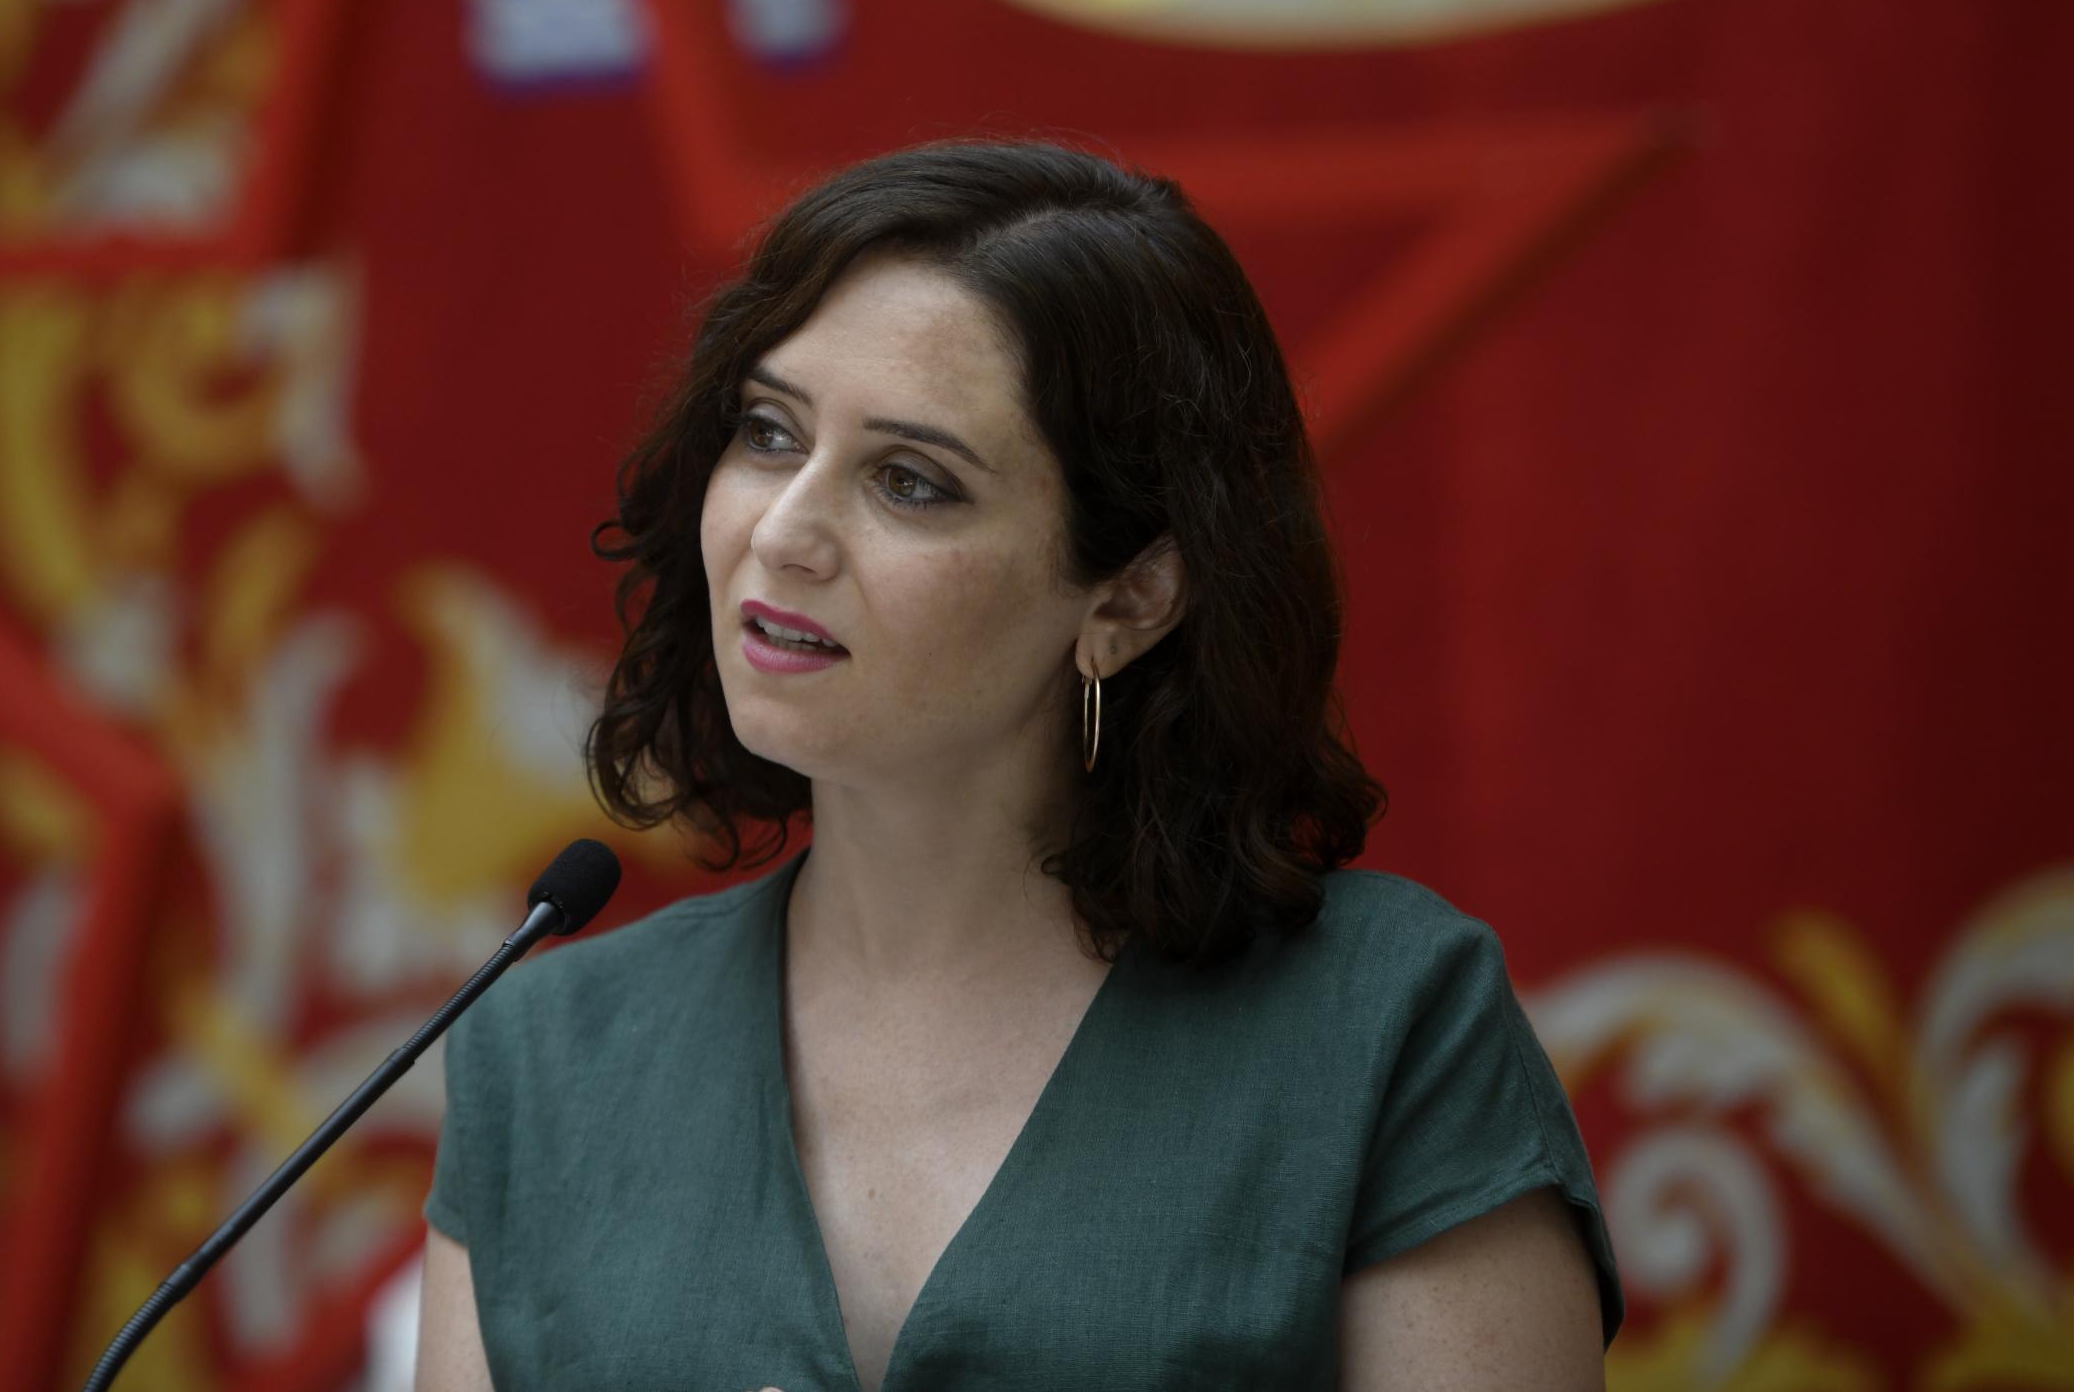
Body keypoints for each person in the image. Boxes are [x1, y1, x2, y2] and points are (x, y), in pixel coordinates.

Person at [412, 139, 1622, 1390]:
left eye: (909, 482)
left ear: (1132, 595)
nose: (782, 531)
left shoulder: (1387, 1029)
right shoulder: (542, 1056)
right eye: (768, 433)